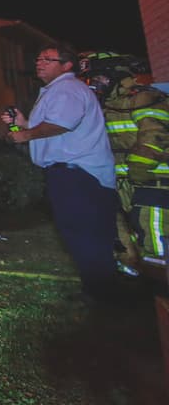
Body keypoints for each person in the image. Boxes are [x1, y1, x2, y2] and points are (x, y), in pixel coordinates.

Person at [2, 44, 120, 305]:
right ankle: (98, 290)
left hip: (79, 175)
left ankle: (102, 294)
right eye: (38, 58)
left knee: (85, 234)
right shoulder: (57, 91)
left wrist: (25, 134)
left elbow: (60, 124)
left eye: (47, 59)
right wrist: (24, 123)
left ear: (67, 65)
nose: (39, 63)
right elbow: (57, 124)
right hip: (73, 174)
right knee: (81, 233)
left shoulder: (67, 89)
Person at [78, 51, 169, 278]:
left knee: (156, 243)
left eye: (98, 78)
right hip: (125, 187)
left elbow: (155, 136)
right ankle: (151, 292)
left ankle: (162, 291)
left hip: (153, 184)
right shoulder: (108, 106)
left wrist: (138, 170)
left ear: (113, 75)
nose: (94, 84)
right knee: (134, 239)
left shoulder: (144, 98)